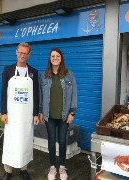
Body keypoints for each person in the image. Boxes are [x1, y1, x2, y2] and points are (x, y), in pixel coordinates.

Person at [1, 42, 40, 180]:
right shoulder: (8, 70)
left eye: (25, 53)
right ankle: (8, 171)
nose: (22, 55)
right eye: (20, 52)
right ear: (16, 52)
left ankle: (24, 170)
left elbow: (36, 95)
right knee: (10, 141)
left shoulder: (33, 72)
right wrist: (3, 112)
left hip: (26, 116)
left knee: (25, 141)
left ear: (29, 55)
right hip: (12, 115)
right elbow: (4, 93)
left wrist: (36, 113)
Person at [39, 48, 77, 180]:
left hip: (64, 116)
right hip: (49, 115)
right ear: (50, 59)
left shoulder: (68, 74)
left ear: (61, 58)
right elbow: (41, 95)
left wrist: (72, 112)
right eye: (53, 56)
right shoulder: (44, 75)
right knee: (51, 142)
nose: (55, 58)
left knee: (62, 141)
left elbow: (74, 94)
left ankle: (61, 167)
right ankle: (52, 167)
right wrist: (40, 112)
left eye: (57, 56)